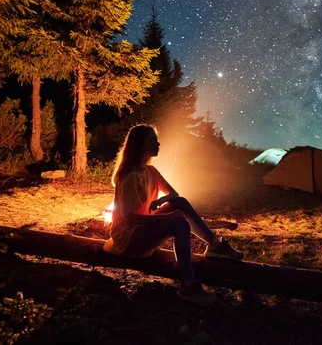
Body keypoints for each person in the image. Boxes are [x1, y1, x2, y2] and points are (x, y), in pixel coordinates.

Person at [103, 124, 243, 305]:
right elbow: (130, 219)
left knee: (180, 203)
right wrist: (168, 217)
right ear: (139, 144)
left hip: (142, 229)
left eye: (157, 139)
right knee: (180, 224)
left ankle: (215, 244)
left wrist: (162, 201)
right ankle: (188, 284)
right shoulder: (130, 178)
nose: (158, 143)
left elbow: (174, 195)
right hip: (128, 239)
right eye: (152, 139)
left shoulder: (151, 171)